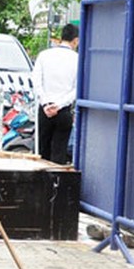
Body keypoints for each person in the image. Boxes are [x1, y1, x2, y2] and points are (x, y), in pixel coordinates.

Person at [31, 23, 79, 164]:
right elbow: (76, 89)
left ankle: (39, 184)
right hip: (63, 112)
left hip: (44, 111)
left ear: (61, 37)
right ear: (75, 40)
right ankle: (56, 184)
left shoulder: (44, 55)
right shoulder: (78, 59)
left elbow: (36, 81)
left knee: (41, 153)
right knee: (59, 154)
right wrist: (59, 105)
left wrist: (46, 103)